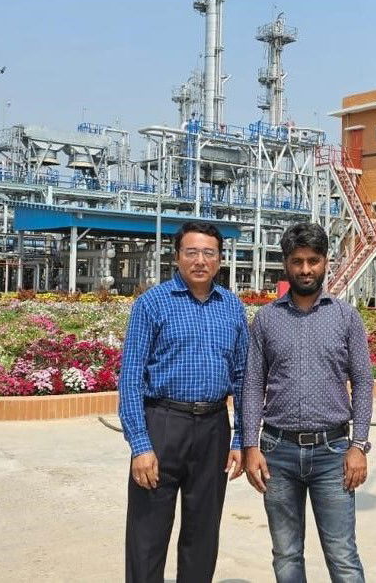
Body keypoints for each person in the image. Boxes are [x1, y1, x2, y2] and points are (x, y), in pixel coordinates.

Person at [242, 222, 374, 583]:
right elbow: (252, 385)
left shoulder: (346, 317)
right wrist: (251, 446)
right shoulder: (267, 319)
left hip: (333, 453)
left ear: (325, 262)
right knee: (286, 554)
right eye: (297, 261)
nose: (305, 269)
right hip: (277, 453)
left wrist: (359, 445)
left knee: (342, 555)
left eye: (313, 261)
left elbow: (363, 382)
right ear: (286, 263)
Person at [118, 221, 249, 583]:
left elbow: (243, 377)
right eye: (191, 252)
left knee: (203, 533)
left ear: (220, 259)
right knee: (147, 534)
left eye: (209, 253)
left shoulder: (232, 307)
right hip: (163, 424)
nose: (200, 261)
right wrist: (140, 445)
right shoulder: (152, 304)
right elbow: (131, 378)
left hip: (213, 428)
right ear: (176, 257)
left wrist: (240, 438)